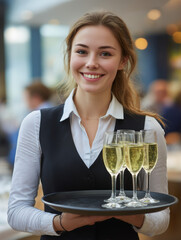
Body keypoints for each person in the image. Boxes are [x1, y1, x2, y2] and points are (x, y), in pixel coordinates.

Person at [8, 11, 169, 240]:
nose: (91, 63)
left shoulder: (148, 128)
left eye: (105, 53)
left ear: (123, 61)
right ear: (70, 55)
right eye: (82, 51)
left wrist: (132, 214)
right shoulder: (36, 124)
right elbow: (16, 212)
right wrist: (59, 222)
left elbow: (161, 218)